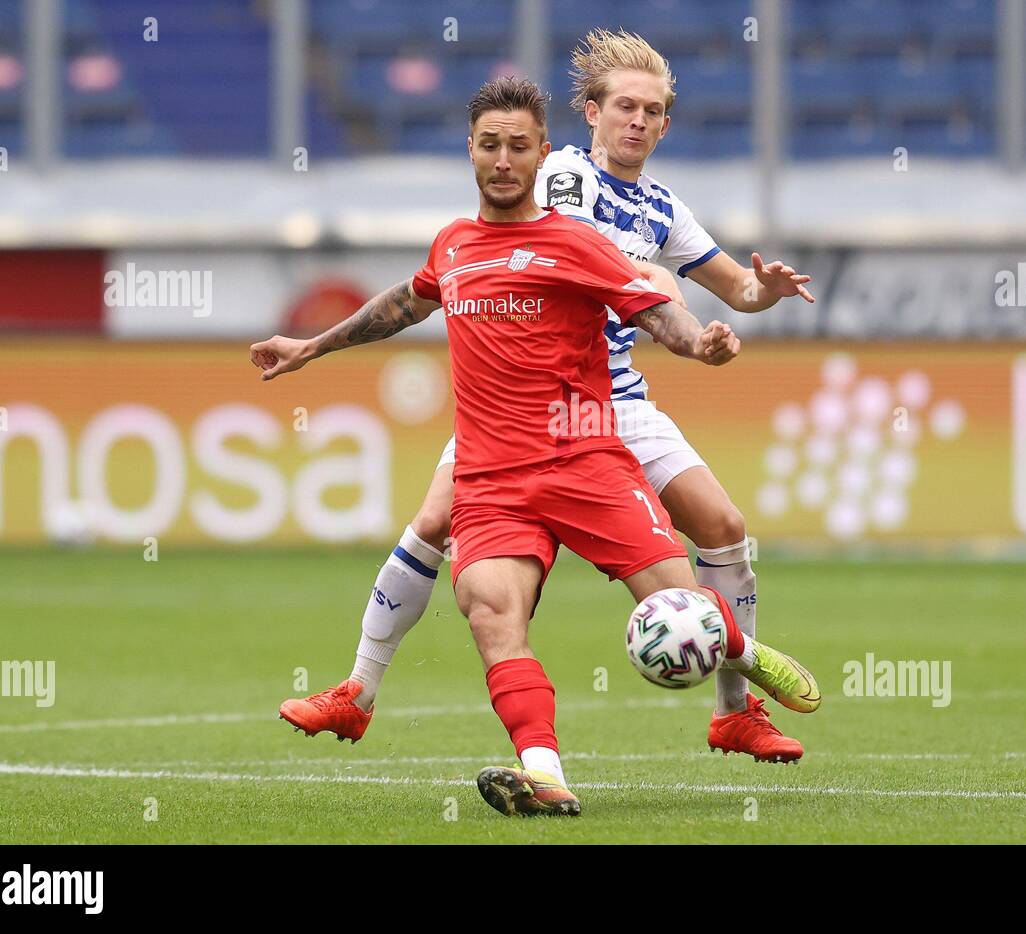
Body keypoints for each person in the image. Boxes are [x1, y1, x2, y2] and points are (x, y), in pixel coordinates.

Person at [251, 77, 820, 817]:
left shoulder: (574, 242)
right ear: (471, 152)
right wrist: (312, 347)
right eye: (490, 145)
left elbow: (653, 309)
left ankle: (741, 659)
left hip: (586, 457)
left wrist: (699, 342)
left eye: (519, 146)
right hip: (491, 477)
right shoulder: (453, 245)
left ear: (541, 155)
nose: (503, 160)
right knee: (490, 610)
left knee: (684, 606)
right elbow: (403, 304)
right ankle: (544, 772)